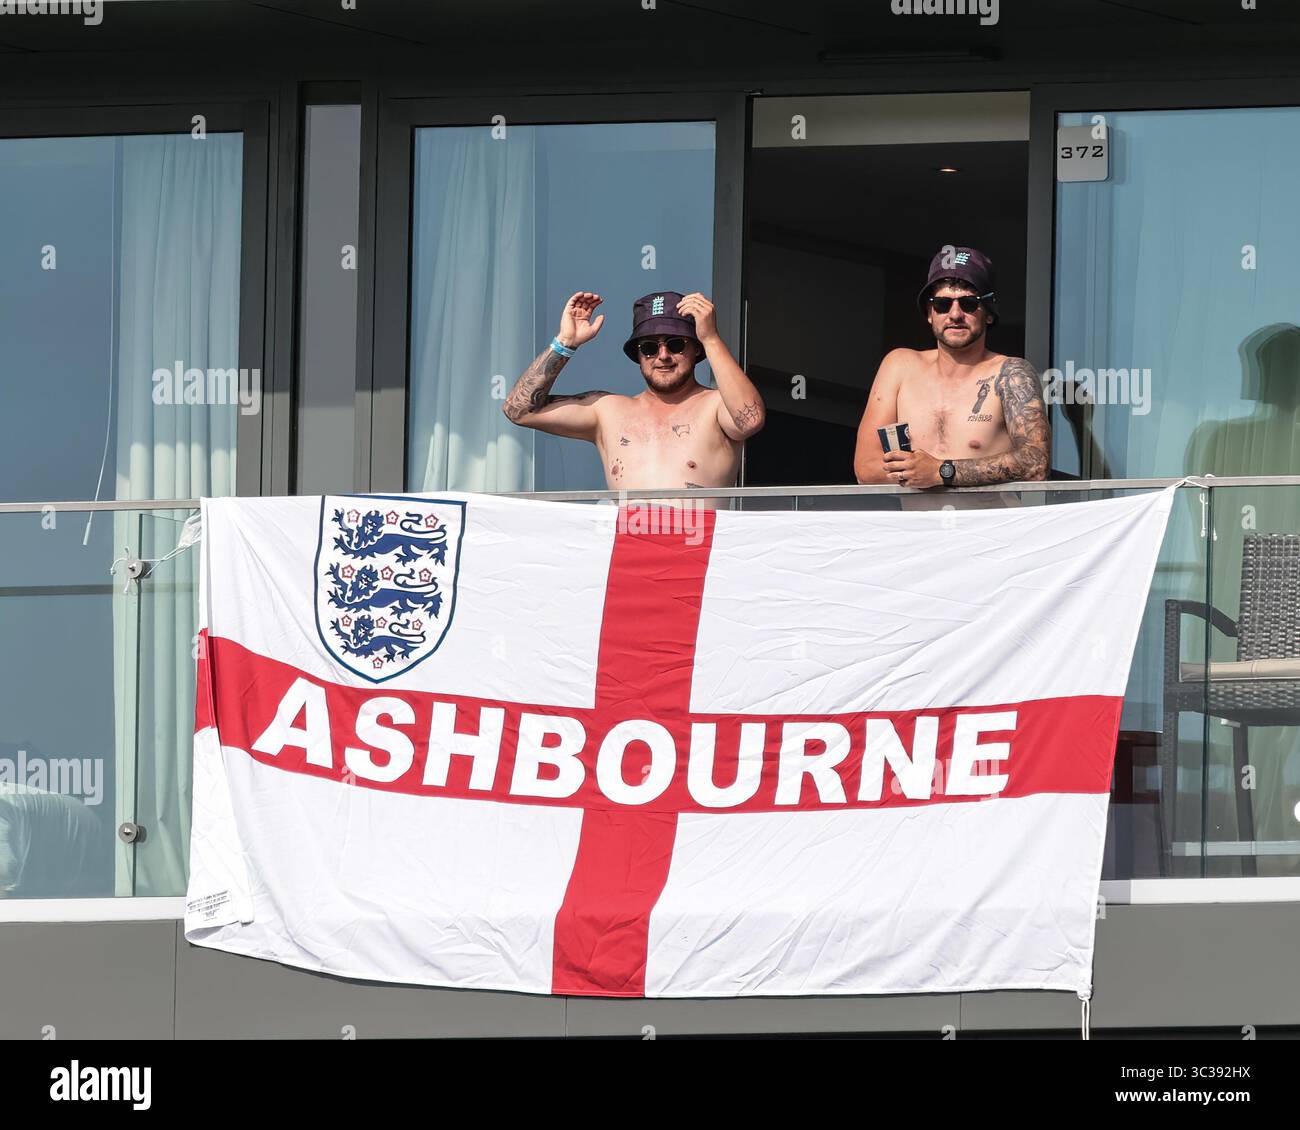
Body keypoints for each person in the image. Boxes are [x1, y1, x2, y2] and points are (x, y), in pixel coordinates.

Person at [502, 290, 764, 500]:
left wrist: (711, 338)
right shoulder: (608, 410)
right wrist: (565, 343)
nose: (663, 356)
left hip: (697, 559)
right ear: (637, 356)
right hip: (625, 560)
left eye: (675, 344)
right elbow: (519, 410)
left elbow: (749, 420)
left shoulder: (716, 405)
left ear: (695, 349)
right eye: (649, 347)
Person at [853, 247, 1050, 488]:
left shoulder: (1011, 373)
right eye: (942, 304)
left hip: (986, 524)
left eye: (968, 303)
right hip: (919, 525)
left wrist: (941, 471)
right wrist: (916, 472)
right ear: (929, 313)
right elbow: (866, 468)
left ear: (989, 313)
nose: (955, 314)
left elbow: (1036, 463)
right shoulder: (899, 366)